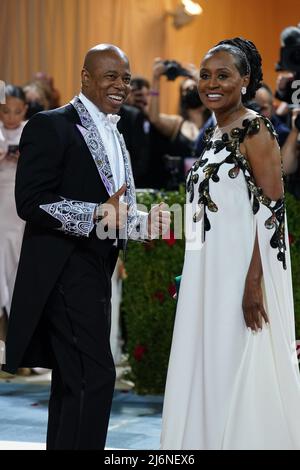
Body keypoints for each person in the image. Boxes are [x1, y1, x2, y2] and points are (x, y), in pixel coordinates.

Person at [2, 44, 170, 450]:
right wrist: (96, 215)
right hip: (62, 269)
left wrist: (145, 223)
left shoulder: (117, 132)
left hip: (97, 270)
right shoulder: (49, 124)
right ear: (86, 77)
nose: (121, 85)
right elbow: (31, 201)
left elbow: (113, 210)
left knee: (73, 378)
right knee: (95, 376)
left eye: (126, 78)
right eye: (111, 75)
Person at [161, 37, 300, 450]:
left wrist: (254, 282)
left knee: (235, 359)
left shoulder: (254, 128)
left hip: (241, 275)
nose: (211, 83)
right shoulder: (215, 132)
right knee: (209, 363)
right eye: (205, 75)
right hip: (209, 275)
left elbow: (273, 210)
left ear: (244, 81)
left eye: (223, 75)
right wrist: (194, 271)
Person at [0, 85, 27, 328]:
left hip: (20, 207)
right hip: (1, 206)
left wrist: (25, 159)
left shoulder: (31, 130)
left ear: (25, 110)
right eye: (6, 111)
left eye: (17, 111)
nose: (11, 117)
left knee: (20, 264)